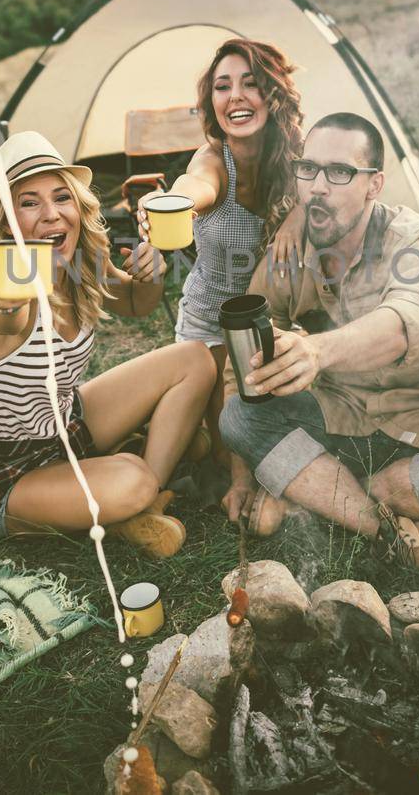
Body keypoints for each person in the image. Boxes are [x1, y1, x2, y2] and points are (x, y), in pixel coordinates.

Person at [217, 113, 419, 596]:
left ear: (374, 185)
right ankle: (391, 530)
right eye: (308, 170)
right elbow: (239, 366)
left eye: (339, 172)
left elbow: (408, 318)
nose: (318, 187)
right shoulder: (288, 250)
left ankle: (318, 493)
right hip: (335, 417)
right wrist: (240, 477)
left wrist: (317, 350)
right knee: (239, 418)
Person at [0, 131, 217, 557]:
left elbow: (139, 304)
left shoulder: (81, 263)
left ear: (79, 205)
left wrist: (151, 273)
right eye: (29, 202)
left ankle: (147, 502)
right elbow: (1, 320)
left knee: (195, 359)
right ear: (8, 221)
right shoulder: (1, 291)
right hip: (7, 474)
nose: (52, 215)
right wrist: (4, 300)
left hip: (64, 424)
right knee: (132, 477)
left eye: (61, 197)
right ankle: (133, 484)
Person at [136, 38, 304, 522]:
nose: (235, 97)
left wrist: (297, 216)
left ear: (273, 94)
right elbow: (196, 186)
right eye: (222, 86)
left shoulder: (299, 157)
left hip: (274, 322)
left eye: (250, 84)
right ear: (211, 100)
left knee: (265, 424)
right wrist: (173, 205)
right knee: (227, 440)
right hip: (209, 326)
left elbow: (336, 195)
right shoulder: (212, 160)